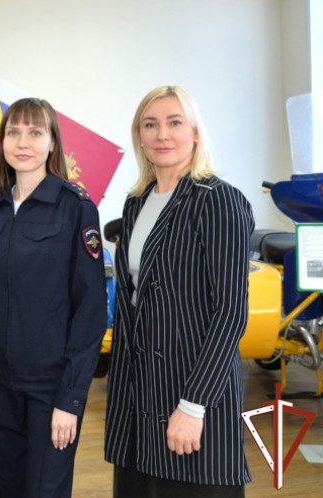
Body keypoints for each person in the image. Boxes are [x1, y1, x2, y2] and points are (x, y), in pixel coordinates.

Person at [104, 85, 253, 497]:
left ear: (195, 133)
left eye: (174, 123)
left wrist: (193, 405)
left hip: (191, 390)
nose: (162, 135)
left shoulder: (218, 200)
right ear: (139, 136)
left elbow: (230, 313)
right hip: (138, 397)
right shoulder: (136, 203)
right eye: (150, 125)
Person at [0, 98, 106, 498]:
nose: (23, 142)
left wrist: (71, 398)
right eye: (13, 133)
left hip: (51, 389)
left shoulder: (76, 208)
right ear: (2, 143)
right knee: (8, 488)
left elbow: (90, 310)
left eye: (35, 132)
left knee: (45, 490)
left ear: (52, 144)